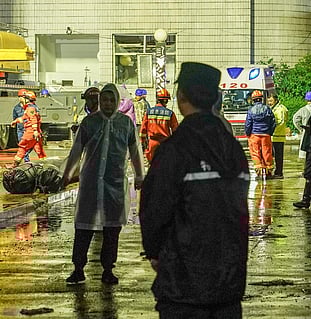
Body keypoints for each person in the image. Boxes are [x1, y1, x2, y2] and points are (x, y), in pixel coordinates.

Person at [140, 62, 249, 318]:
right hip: (229, 283)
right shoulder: (233, 148)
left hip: (184, 286)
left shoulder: (174, 149)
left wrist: (155, 253)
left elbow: (154, 208)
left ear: (181, 97)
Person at [62, 83, 144, 285]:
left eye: (111, 100)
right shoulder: (89, 123)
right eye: (104, 100)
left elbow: (135, 152)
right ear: (100, 102)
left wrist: (140, 175)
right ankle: (78, 269)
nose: (108, 103)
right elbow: (76, 151)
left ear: (117, 102)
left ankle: (108, 270)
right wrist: (67, 174)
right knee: (84, 227)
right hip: (90, 183)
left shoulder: (126, 124)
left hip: (114, 184)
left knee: (111, 229)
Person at [139, 88, 178, 162]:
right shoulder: (170, 113)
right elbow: (175, 130)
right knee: (165, 164)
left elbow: (143, 129)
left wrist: (142, 141)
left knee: (152, 164)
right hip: (165, 143)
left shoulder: (149, 112)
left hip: (152, 143)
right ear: (165, 100)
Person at [245, 90, 276, 179]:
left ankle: (259, 173)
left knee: (255, 153)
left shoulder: (251, 110)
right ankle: (269, 172)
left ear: (253, 100)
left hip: (254, 135)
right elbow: (273, 122)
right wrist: (270, 132)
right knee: (267, 152)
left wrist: (248, 134)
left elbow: (248, 124)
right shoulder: (267, 109)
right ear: (261, 99)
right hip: (266, 135)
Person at [11, 91, 46, 167]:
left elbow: (33, 119)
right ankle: (45, 164)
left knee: (22, 147)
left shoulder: (30, 108)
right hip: (35, 132)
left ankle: (15, 165)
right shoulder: (31, 108)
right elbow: (24, 118)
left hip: (30, 132)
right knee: (38, 148)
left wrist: (34, 131)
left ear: (27, 99)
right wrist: (15, 121)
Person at [268, 94, 288, 179]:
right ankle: (275, 171)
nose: (269, 103)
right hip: (274, 136)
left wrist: (271, 128)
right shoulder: (274, 108)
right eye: (268, 101)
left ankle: (279, 172)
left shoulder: (280, 109)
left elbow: (281, 122)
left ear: (276, 100)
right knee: (273, 155)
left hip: (278, 135)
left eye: (271, 101)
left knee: (278, 156)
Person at [12, 88, 33, 163]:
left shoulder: (31, 107)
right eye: (22, 97)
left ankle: (25, 156)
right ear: (19, 98)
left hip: (29, 130)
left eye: (25, 97)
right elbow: (14, 117)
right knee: (22, 145)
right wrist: (14, 123)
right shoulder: (16, 108)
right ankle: (26, 160)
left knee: (31, 145)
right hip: (20, 130)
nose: (24, 98)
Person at [293, 91, 311, 159]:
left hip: (306, 134)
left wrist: (301, 129)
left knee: (304, 157)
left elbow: (295, 119)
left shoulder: (303, 110)